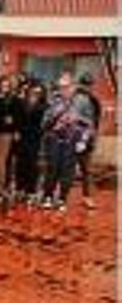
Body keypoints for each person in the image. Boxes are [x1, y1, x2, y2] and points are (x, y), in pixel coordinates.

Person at [42, 72, 93, 210]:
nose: (64, 89)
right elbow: (44, 122)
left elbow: (89, 123)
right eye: (61, 87)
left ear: (74, 86)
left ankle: (62, 199)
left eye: (67, 86)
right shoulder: (54, 100)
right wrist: (55, 118)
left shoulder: (83, 101)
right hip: (54, 139)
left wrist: (84, 140)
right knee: (52, 168)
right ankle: (47, 196)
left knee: (67, 171)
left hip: (73, 141)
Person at [74, 73, 101, 208]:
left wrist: (93, 137)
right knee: (63, 169)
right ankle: (57, 196)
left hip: (87, 138)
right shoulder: (76, 98)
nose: (88, 87)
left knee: (86, 170)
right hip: (73, 138)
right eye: (85, 84)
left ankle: (87, 197)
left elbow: (95, 121)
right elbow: (73, 116)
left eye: (89, 85)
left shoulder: (93, 100)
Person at [16, 83, 47, 203]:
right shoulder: (22, 104)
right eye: (33, 92)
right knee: (21, 163)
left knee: (32, 165)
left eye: (38, 93)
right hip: (22, 137)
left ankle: (31, 191)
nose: (35, 95)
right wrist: (17, 131)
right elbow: (18, 119)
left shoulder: (43, 106)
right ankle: (20, 189)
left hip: (35, 138)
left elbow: (44, 123)